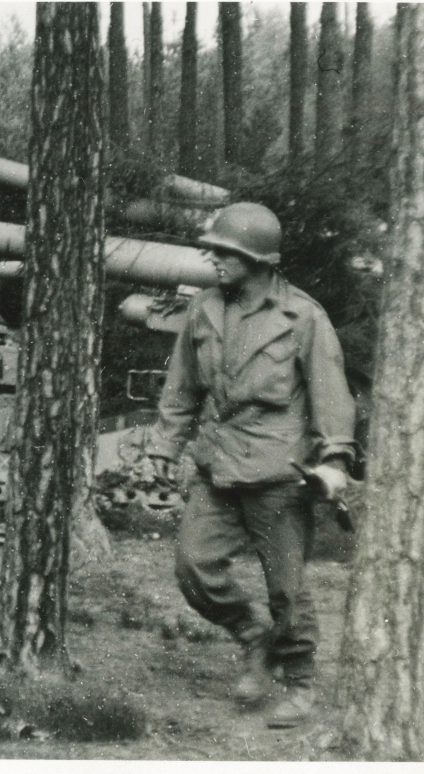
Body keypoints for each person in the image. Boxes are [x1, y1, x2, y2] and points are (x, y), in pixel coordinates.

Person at [146, 202, 356, 728]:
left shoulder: (302, 317)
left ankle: (301, 683)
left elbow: (332, 396)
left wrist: (333, 460)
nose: (211, 258)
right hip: (217, 469)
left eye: (224, 251)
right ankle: (251, 635)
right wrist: (162, 449)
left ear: (256, 259)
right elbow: (181, 389)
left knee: (287, 589)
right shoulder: (204, 309)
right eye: (211, 249)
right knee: (193, 568)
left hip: (280, 475)